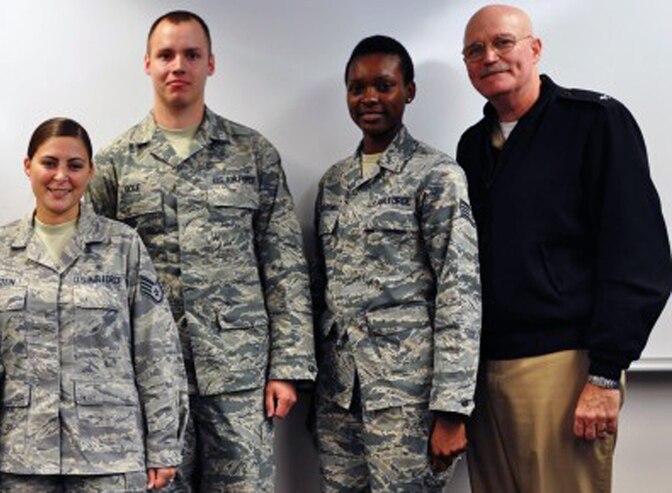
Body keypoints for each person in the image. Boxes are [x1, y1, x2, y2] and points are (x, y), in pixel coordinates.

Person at [88, 10, 315, 492]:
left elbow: (284, 262)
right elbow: (98, 278)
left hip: (239, 375)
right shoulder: (115, 162)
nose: (178, 66)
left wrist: (288, 367)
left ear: (211, 63)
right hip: (150, 380)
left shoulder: (251, 153)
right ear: (147, 63)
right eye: (166, 55)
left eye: (191, 55)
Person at [456, 5, 672, 492]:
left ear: (534, 49)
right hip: (484, 373)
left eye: (503, 43)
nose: (489, 57)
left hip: (563, 367)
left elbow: (640, 256)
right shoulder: (471, 148)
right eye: (475, 50)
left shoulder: (595, 122)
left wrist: (604, 375)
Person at [0, 117, 185, 492]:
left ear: (90, 171)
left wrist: (164, 444)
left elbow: (158, 350)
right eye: (49, 163)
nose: (61, 176)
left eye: (74, 166)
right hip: (22, 455)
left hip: (109, 454)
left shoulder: (123, 246)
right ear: (28, 166)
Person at [311, 35, 480, 492]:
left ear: (409, 90)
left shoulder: (437, 176)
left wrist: (452, 409)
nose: (369, 98)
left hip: (409, 402)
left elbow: (460, 292)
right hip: (340, 399)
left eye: (383, 86)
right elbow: (324, 292)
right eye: (357, 87)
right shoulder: (334, 184)